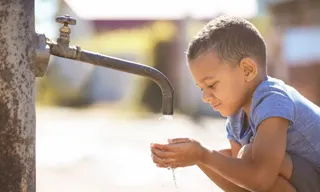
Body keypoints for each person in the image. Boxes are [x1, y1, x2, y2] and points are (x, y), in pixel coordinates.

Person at [150, 15, 320, 192]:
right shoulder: (236, 119)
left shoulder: (273, 100)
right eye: (202, 88)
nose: (205, 97)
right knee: (231, 158)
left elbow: (261, 180)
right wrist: (197, 159)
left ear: (247, 70)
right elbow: (243, 187)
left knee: (245, 156)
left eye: (211, 85)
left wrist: (203, 155)